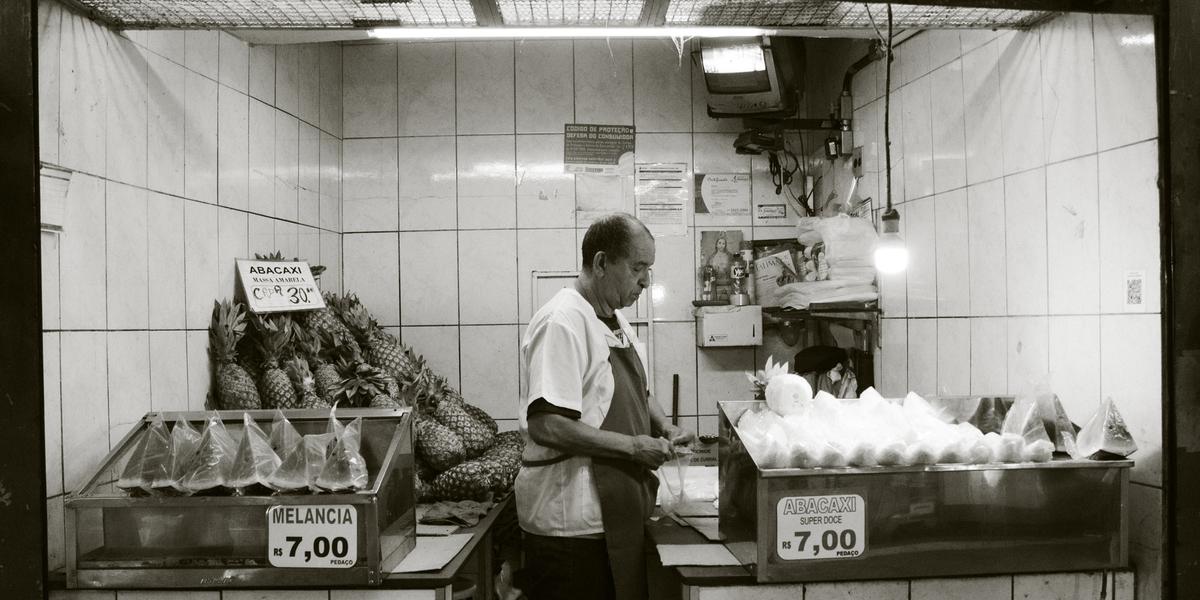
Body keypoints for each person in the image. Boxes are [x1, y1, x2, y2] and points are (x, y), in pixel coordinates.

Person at [514, 213, 695, 600]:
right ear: (600, 263)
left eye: (649, 268)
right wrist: (634, 447)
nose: (646, 280)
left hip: (612, 516)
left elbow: (637, 392)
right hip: (570, 527)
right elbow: (547, 424)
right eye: (637, 268)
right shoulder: (563, 321)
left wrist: (665, 427)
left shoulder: (614, 320)